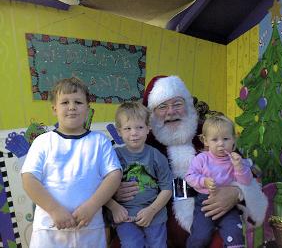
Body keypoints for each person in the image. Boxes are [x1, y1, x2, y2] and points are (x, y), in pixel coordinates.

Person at [114, 75, 268, 248]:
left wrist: (237, 192)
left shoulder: (212, 133)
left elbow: (251, 175)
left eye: (177, 104)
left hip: (213, 214)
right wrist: (115, 191)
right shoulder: (142, 141)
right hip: (158, 224)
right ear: (151, 114)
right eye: (162, 106)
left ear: (187, 105)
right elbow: (110, 177)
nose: (171, 111)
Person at [21, 77, 122, 248]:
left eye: (78, 102)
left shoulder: (100, 141)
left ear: (88, 108)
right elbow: (29, 178)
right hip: (49, 230)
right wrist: (54, 209)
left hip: (89, 228)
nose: (72, 107)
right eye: (65, 102)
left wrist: (92, 206)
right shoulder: (43, 141)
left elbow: (114, 175)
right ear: (54, 109)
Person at [106, 101, 173, 248]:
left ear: (148, 128)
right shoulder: (113, 156)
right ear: (119, 131)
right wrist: (114, 207)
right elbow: (100, 188)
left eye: (139, 127)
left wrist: (152, 210)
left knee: (158, 245)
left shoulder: (156, 156)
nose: (134, 133)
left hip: (154, 215)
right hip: (125, 216)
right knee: (132, 244)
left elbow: (167, 188)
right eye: (128, 128)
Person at [185, 115, 254, 247]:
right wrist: (203, 181)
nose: (221, 144)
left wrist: (239, 167)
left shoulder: (236, 160)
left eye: (226, 139)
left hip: (230, 206)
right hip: (205, 203)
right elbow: (190, 176)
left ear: (234, 139)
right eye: (215, 139)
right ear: (205, 141)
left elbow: (246, 182)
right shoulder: (201, 158)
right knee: (201, 235)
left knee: (235, 233)